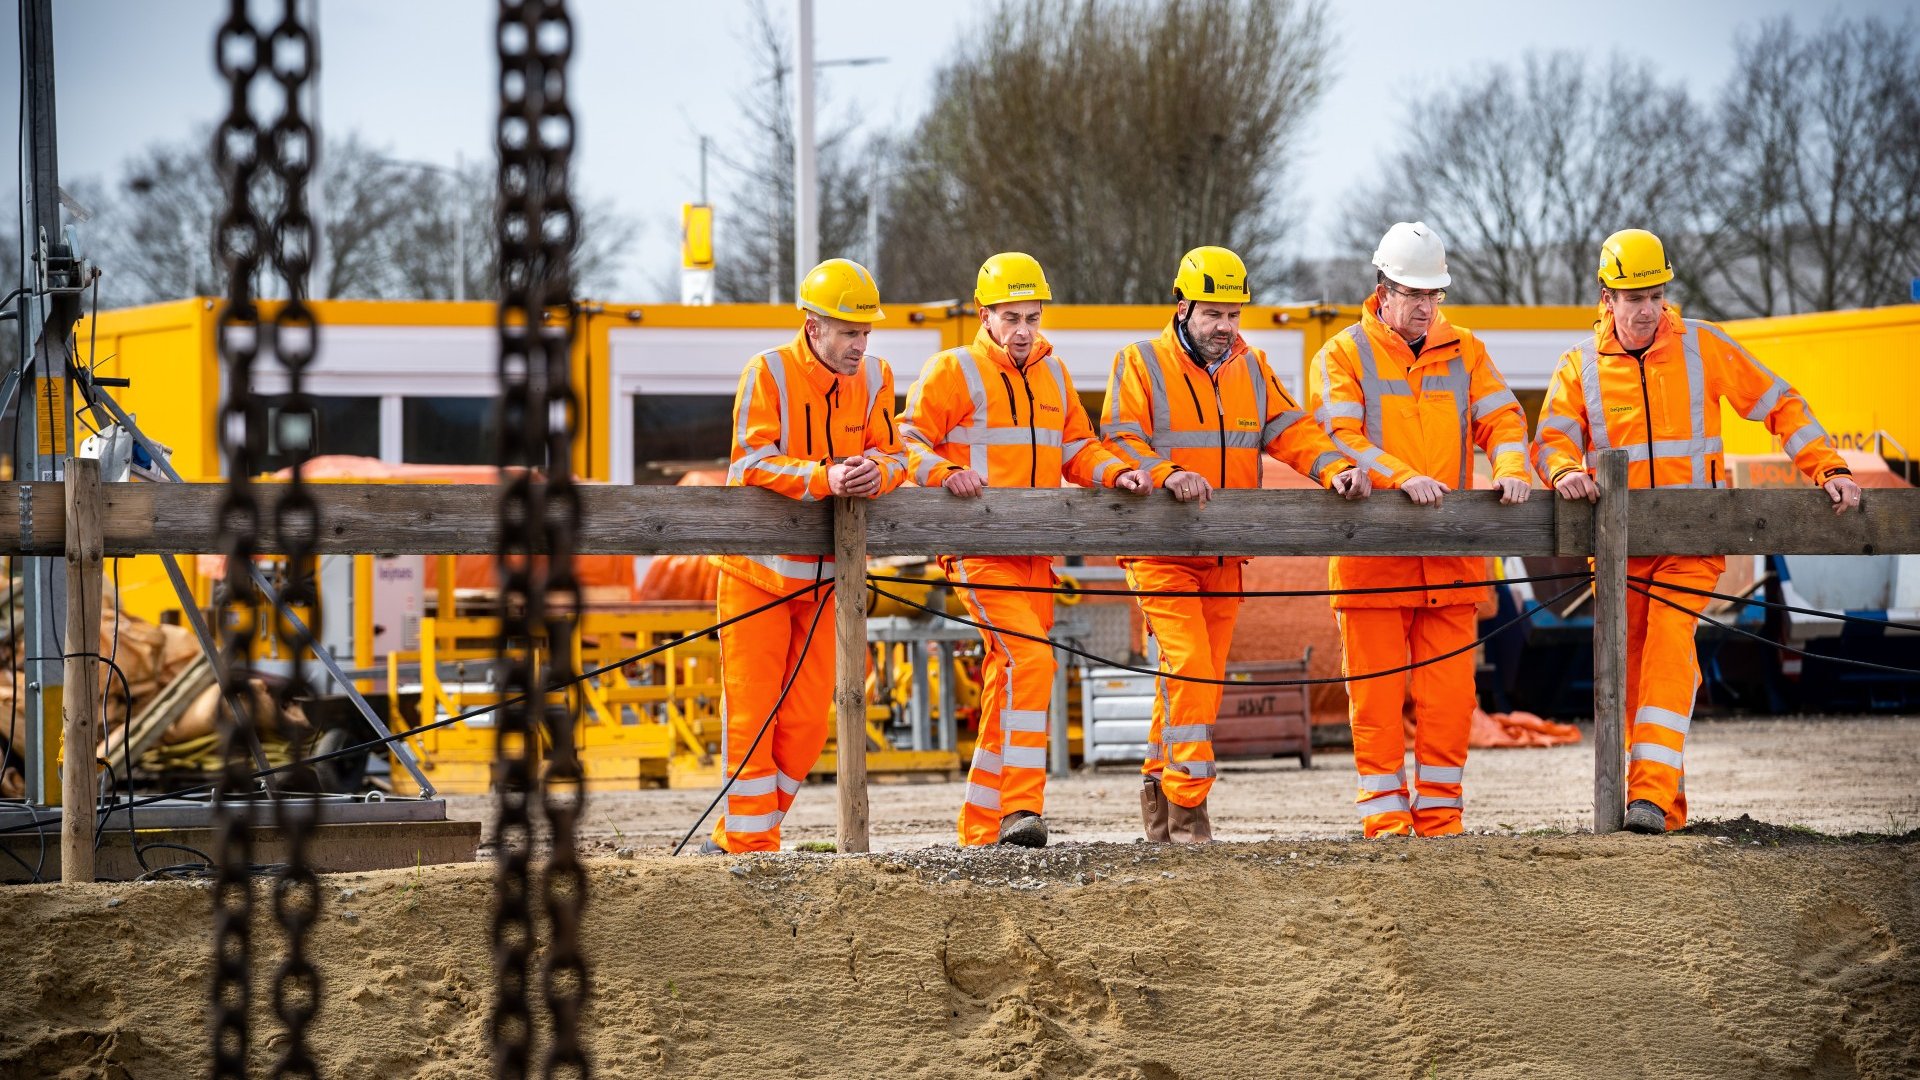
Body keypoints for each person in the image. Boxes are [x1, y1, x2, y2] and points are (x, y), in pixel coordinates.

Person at [1533, 228, 1860, 835]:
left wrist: (1829, 467)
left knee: (1667, 653)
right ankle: (1666, 816)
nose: (1647, 309)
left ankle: (1649, 802)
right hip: (1618, 553)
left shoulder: (1703, 346)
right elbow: (1550, 438)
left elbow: (1779, 404)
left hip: (1693, 545)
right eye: (1633, 297)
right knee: (1633, 678)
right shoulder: (1578, 366)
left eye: (1656, 294)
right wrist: (1564, 469)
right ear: (1606, 298)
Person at [1101, 245, 1369, 843]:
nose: (1225, 327)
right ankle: (1190, 809)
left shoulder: (1252, 366)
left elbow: (1290, 429)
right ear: (1182, 305)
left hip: (1225, 555)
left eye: (1234, 314)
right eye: (1213, 314)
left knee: (1193, 681)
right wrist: (1168, 472)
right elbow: (1119, 436)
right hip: (1159, 554)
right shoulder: (1139, 362)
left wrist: (1333, 468)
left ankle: (1157, 803)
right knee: (1191, 668)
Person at [900, 252, 1152, 848]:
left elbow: (1078, 448)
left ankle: (981, 829)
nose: (1022, 330)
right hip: (979, 551)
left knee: (1008, 677)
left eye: (1032, 318)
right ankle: (1020, 811)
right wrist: (940, 472)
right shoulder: (952, 370)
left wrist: (1115, 472)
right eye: (1010, 317)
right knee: (1030, 662)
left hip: (1039, 556)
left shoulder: (1054, 375)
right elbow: (903, 439)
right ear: (984, 314)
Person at [1306, 222, 1532, 838]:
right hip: (1373, 565)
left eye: (1434, 296)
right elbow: (1337, 437)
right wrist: (1402, 476)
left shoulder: (1467, 351)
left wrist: (1511, 467)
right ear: (1383, 290)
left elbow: (1504, 420)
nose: (1426, 309)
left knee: (1450, 704)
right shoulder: (1343, 354)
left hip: (1451, 567)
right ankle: (1385, 821)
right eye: (1414, 295)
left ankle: (1440, 821)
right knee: (1376, 702)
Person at [705, 258, 910, 853]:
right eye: (849, 332)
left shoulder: (876, 378)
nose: (860, 344)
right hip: (756, 577)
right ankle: (745, 848)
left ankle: (747, 835)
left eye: (866, 332)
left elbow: (895, 455)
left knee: (805, 724)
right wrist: (825, 477)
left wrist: (880, 472)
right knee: (752, 716)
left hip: (827, 584)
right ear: (813, 326)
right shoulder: (767, 372)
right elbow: (748, 462)